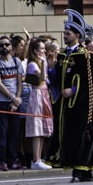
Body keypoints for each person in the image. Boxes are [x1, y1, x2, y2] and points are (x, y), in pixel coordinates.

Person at [56, 9, 93, 181]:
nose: (65, 36)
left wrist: (72, 91)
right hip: (67, 107)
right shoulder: (62, 54)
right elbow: (57, 78)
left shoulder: (85, 56)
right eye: (64, 33)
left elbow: (90, 83)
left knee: (82, 137)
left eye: (68, 33)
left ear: (77, 35)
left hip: (82, 105)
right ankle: (84, 172)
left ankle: (79, 172)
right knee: (71, 138)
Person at [0, 35, 25, 171]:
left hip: (16, 101)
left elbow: (20, 81)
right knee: (2, 132)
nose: (4, 47)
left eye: (7, 45)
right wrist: (12, 97)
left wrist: (17, 98)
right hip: (1, 101)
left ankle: (12, 159)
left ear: (11, 47)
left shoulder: (16, 61)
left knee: (15, 132)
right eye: (1, 45)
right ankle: (2, 160)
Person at [24, 37, 54, 170]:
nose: (43, 51)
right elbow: (41, 78)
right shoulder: (33, 64)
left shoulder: (43, 62)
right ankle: (35, 159)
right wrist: (43, 63)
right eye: (41, 49)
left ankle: (39, 157)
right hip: (37, 95)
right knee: (37, 128)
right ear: (35, 51)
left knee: (43, 129)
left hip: (45, 94)